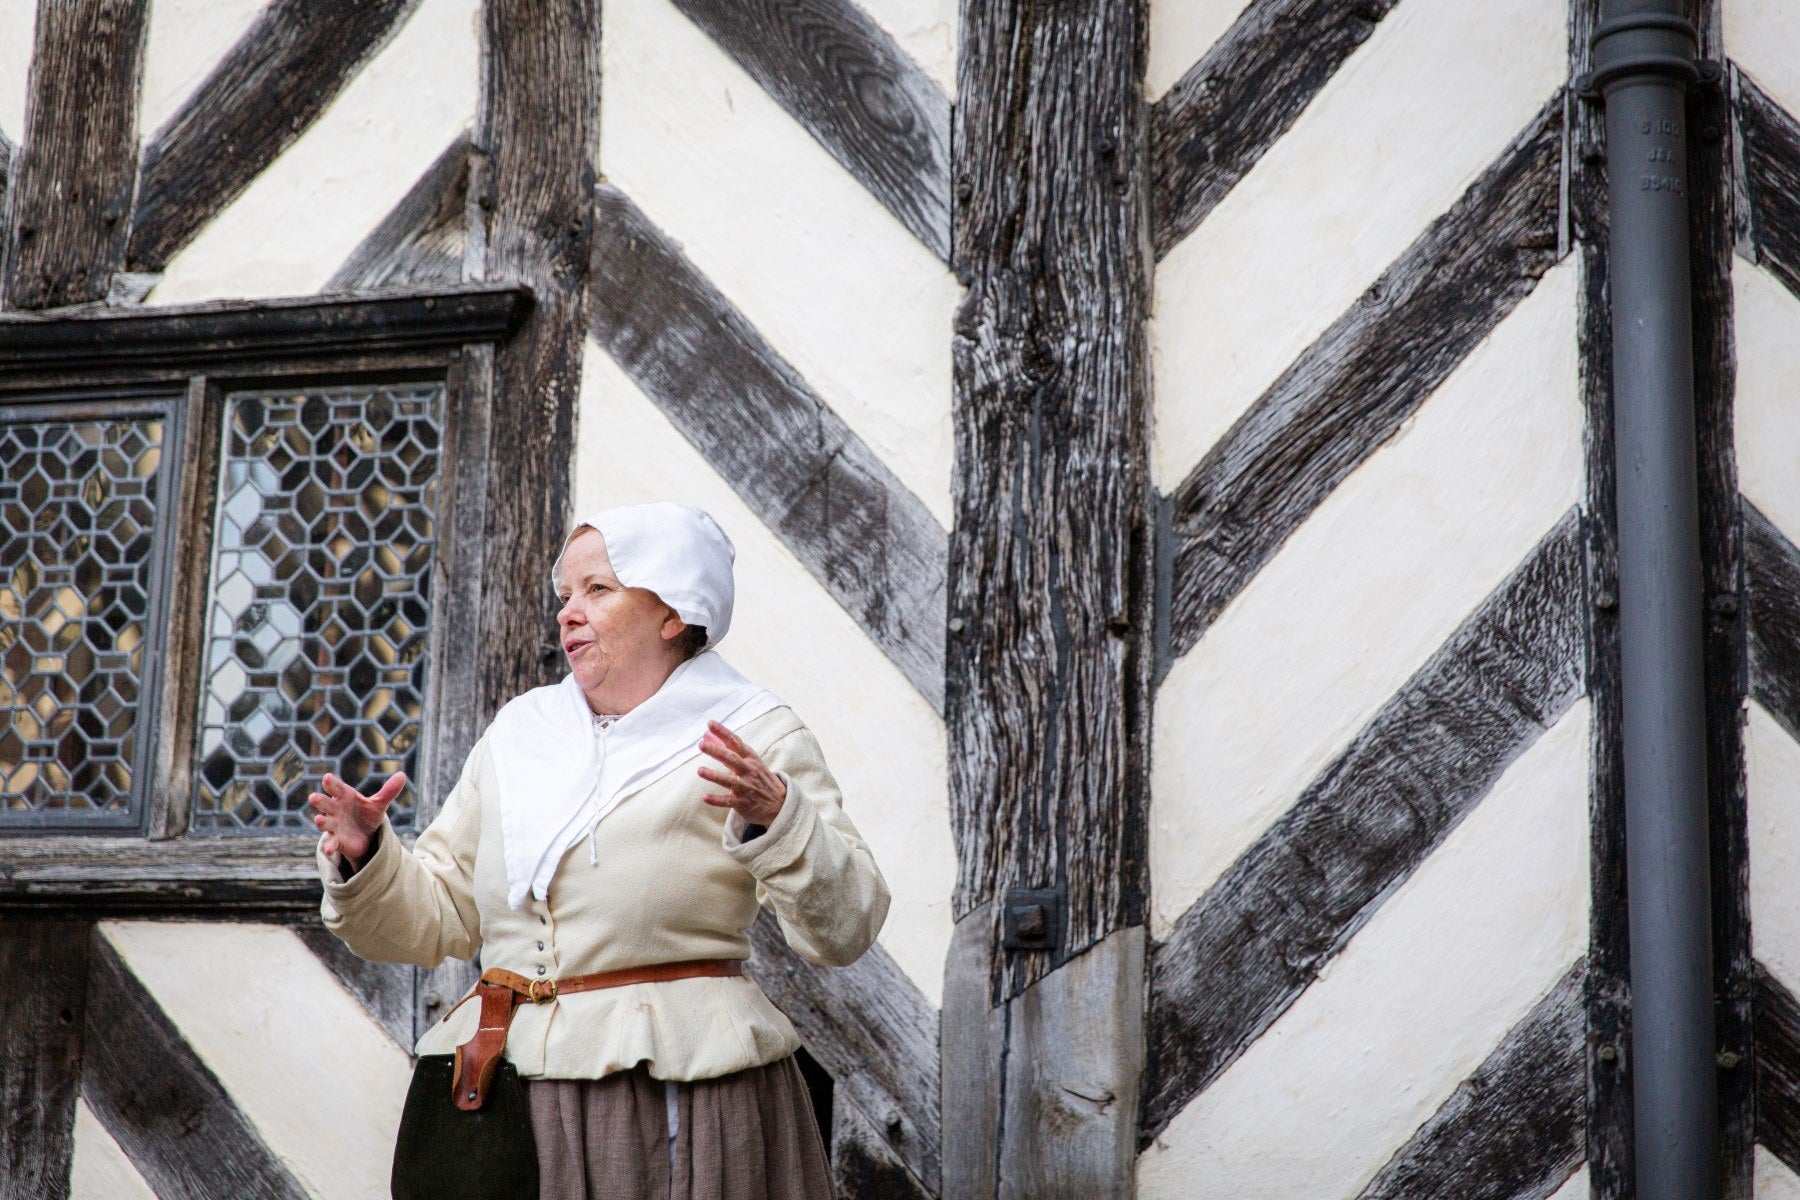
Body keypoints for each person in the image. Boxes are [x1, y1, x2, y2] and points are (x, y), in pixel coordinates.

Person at [307, 501, 889, 1199]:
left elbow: (845, 928)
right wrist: (367, 858)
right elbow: (439, 918)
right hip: (508, 1089)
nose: (567, 612)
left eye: (598, 590)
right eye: (564, 595)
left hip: (676, 1092)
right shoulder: (520, 735)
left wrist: (781, 817)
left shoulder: (751, 732)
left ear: (673, 613)